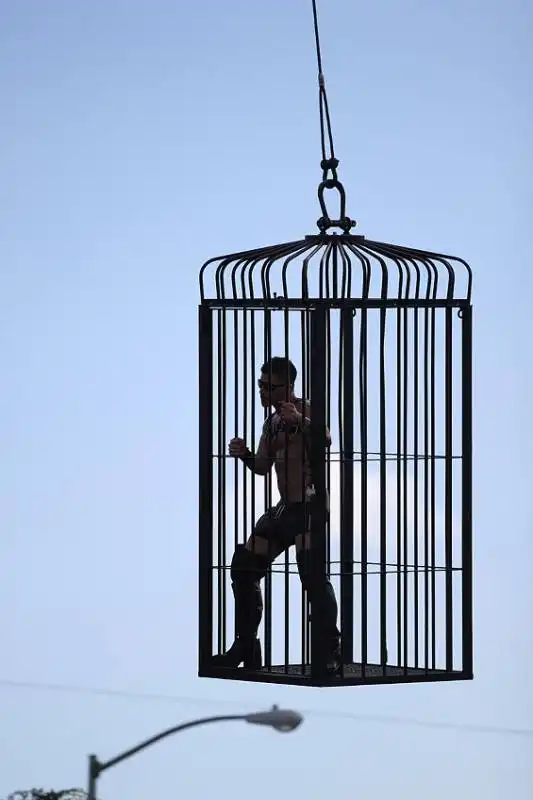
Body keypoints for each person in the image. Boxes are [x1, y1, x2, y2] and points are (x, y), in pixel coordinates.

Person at [212, 356, 341, 675]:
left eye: (269, 387)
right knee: (244, 565)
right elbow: (261, 467)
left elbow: (325, 439)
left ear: (289, 386)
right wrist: (244, 455)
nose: (263, 392)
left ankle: (329, 650)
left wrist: (300, 418)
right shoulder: (270, 424)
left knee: (311, 574)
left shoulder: (307, 409)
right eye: (260, 386)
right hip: (285, 509)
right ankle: (245, 644)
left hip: (310, 506)